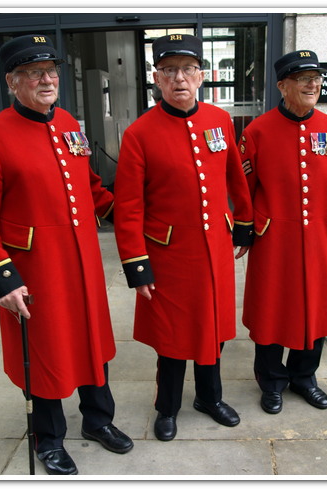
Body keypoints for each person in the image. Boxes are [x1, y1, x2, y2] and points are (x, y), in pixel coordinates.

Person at [0, 34, 133, 475]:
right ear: (13, 82)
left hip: (84, 263)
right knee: (46, 350)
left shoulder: (68, 121)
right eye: (34, 74)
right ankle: (48, 438)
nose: (47, 80)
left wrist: (126, 214)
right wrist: (1, 276)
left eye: (51, 72)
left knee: (92, 340)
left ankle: (97, 421)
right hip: (36, 267)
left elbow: (88, 185)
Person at [113, 34, 254, 441]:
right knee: (172, 338)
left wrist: (244, 221)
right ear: (157, 78)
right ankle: (167, 407)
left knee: (213, 328)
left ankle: (209, 398)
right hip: (168, 254)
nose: (180, 78)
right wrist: (137, 265)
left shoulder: (219, 120)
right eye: (170, 70)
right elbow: (128, 208)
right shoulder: (140, 133)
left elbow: (234, 176)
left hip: (214, 249)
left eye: (188, 70)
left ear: (202, 76)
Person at [238, 50, 327, 415]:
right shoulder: (257, 131)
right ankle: (271, 381)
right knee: (271, 310)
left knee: (316, 307)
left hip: (319, 237)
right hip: (274, 237)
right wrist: (243, 231)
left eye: (316, 78)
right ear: (283, 86)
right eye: (302, 79)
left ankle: (304, 377)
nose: (313, 85)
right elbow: (242, 186)